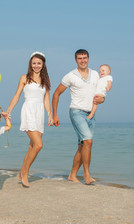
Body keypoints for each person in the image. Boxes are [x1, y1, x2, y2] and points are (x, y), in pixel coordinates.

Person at [52, 49, 104, 185]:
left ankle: (72, 175)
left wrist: (101, 100)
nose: (82, 60)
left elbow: (100, 94)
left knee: (83, 146)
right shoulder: (70, 76)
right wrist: (54, 114)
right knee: (88, 141)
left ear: (88, 59)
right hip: (76, 112)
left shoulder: (95, 74)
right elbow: (56, 94)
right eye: (80, 58)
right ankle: (87, 175)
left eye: (85, 58)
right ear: (76, 60)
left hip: (91, 113)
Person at [6, 51, 53, 187]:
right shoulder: (24, 78)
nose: (36, 66)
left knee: (32, 146)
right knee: (38, 145)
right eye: (34, 63)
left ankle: (21, 172)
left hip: (40, 114)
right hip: (28, 111)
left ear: (43, 64)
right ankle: (25, 173)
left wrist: (49, 114)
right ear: (30, 64)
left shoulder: (46, 80)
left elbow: (46, 100)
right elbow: (17, 96)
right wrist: (8, 111)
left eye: (39, 63)